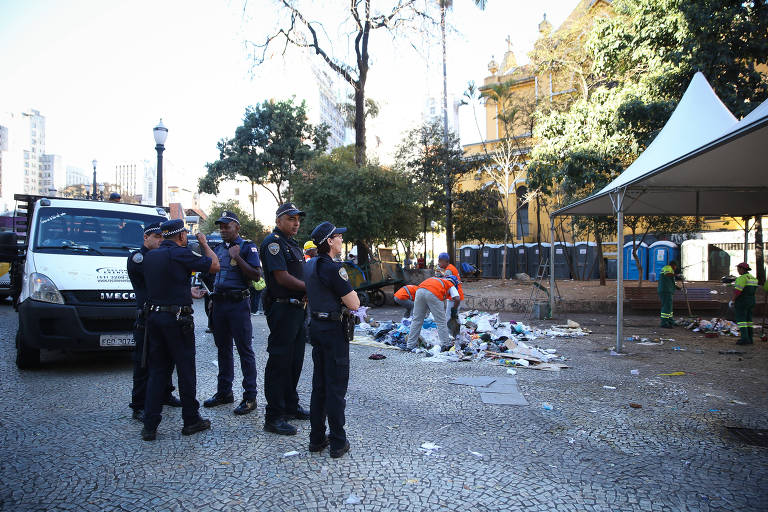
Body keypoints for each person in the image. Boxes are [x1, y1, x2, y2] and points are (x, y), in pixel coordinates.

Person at [140, 219, 220, 441]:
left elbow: (164, 282)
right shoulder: (180, 253)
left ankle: (150, 425)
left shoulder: (151, 256)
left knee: (158, 371)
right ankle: (191, 420)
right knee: (185, 370)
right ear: (182, 236)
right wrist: (204, 243)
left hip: (154, 317)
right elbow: (214, 265)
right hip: (177, 320)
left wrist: (185, 290)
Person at [304, 221, 360, 458]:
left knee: (320, 384)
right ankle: (338, 442)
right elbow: (354, 303)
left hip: (316, 326)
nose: (341, 240)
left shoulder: (309, 265)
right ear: (329, 241)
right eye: (338, 236)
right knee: (335, 386)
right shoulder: (333, 268)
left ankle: (317, 438)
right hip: (332, 330)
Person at [203, 211, 262, 416]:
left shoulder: (247, 247)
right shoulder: (218, 249)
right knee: (223, 349)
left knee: (244, 350)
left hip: (238, 303)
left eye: (227, 226)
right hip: (219, 303)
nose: (223, 229)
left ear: (237, 227)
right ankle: (224, 392)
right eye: (221, 226)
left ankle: (250, 397)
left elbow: (256, 275)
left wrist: (238, 257)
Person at [260, 202, 310, 436]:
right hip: (283, 309)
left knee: (295, 361)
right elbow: (281, 278)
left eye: (298, 219)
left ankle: (290, 405)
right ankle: (274, 415)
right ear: (279, 220)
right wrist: (310, 288)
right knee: (280, 362)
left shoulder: (292, 245)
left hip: (298, 309)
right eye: (291, 219)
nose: (296, 223)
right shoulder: (273, 243)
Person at [126, 222, 181, 422]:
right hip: (147, 317)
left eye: (162, 237)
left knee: (166, 360)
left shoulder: (160, 257)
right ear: (145, 238)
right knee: (143, 363)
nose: (160, 240)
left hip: (163, 316)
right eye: (156, 236)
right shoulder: (139, 258)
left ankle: (165, 393)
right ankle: (138, 405)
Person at [406, 276, 461, 351]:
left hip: (419, 291)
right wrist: (454, 311)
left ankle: (410, 345)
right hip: (433, 293)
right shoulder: (450, 284)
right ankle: (445, 345)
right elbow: (457, 299)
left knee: (416, 320)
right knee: (441, 321)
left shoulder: (437, 280)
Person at [730, 262, 758, 345]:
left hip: (742, 302)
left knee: (742, 321)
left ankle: (744, 339)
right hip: (751, 301)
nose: (738, 271)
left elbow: (738, 291)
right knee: (749, 320)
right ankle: (750, 338)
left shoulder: (742, 278)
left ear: (742, 269)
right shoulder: (753, 278)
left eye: (738, 269)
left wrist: (733, 300)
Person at [657, 260, 679, 328]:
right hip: (665, 291)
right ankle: (664, 323)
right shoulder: (667, 268)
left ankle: (670, 321)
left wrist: (678, 288)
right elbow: (667, 274)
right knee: (666, 307)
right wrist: (677, 275)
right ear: (673, 265)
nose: (675, 268)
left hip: (668, 291)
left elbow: (671, 282)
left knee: (669, 307)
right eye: (675, 266)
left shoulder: (670, 271)